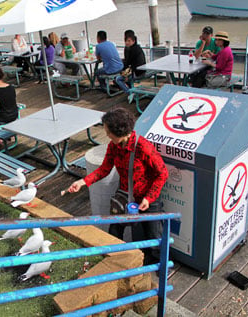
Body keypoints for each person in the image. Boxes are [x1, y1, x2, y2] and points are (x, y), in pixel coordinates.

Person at [68, 108, 168, 262]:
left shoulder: (143, 147)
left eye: (108, 132)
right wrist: (83, 182)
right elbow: (104, 169)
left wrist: (148, 198)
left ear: (119, 132)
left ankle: (159, 267)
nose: (107, 135)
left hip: (148, 198)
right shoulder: (114, 146)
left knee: (154, 236)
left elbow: (162, 173)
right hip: (125, 195)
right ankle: (115, 260)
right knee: (115, 230)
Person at [114, 32, 146, 101]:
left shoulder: (131, 50)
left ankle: (130, 93)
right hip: (141, 70)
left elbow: (128, 63)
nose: (127, 43)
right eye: (126, 41)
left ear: (133, 41)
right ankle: (132, 90)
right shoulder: (137, 48)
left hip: (137, 72)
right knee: (123, 75)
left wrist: (125, 74)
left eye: (129, 41)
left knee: (118, 79)